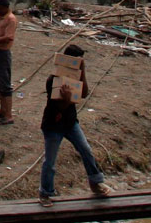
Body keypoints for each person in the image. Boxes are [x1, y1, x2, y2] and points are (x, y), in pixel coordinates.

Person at [38, 44, 111, 206]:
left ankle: (95, 181)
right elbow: (60, 107)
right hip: (53, 124)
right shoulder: (53, 80)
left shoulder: (76, 76)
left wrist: (82, 71)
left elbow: (84, 93)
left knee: (86, 150)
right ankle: (45, 192)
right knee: (50, 161)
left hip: (70, 122)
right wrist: (68, 98)